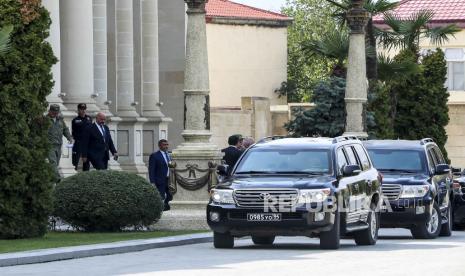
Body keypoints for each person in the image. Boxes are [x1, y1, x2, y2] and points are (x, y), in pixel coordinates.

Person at [47, 104, 73, 181]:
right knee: (53, 163)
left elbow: (65, 129)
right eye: (54, 112)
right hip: (49, 145)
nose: (55, 114)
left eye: (56, 112)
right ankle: (59, 180)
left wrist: (69, 138)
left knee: (56, 164)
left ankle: (51, 181)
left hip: (58, 145)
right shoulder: (45, 120)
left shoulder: (60, 120)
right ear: (50, 111)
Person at [149, 139, 173, 211]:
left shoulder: (170, 155)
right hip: (159, 180)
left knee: (170, 196)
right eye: (164, 145)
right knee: (160, 197)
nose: (166, 146)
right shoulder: (155, 156)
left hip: (170, 180)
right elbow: (151, 170)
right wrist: (152, 181)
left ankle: (166, 208)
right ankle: (158, 210)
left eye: (167, 144)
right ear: (159, 146)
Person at [71, 103, 92, 171]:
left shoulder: (89, 118)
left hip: (87, 143)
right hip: (78, 142)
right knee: (75, 161)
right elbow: (73, 131)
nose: (83, 111)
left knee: (86, 162)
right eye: (81, 109)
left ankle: (85, 177)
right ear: (78, 110)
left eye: (84, 109)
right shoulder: (75, 120)